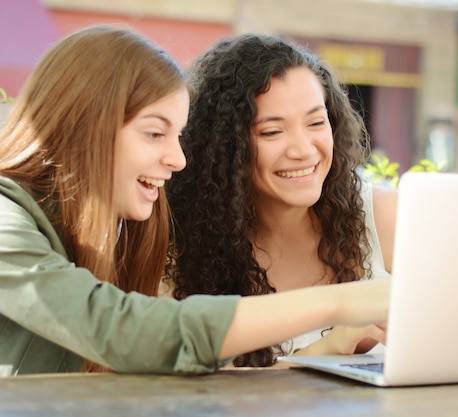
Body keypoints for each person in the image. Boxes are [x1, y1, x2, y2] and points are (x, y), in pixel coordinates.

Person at [0, 25, 390, 376]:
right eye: (155, 134)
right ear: (85, 128)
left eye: (179, 136)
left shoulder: (117, 227)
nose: (179, 159)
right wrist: (341, 302)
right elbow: (126, 334)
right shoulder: (8, 220)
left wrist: (330, 344)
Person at [164, 33, 398, 367]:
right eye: (272, 132)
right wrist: (333, 345)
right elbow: (193, 386)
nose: (304, 150)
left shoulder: (385, 218)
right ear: (223, 147)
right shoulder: (179, 246)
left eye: (317, 122)